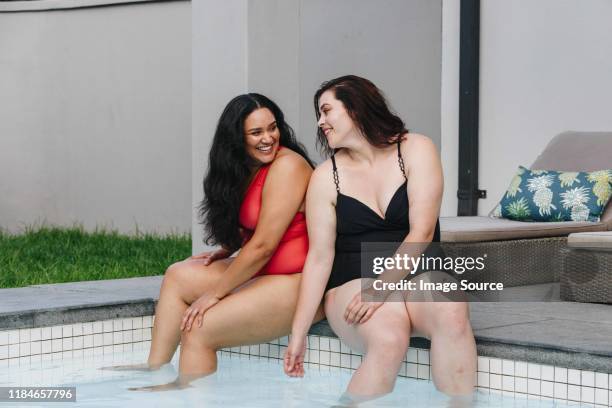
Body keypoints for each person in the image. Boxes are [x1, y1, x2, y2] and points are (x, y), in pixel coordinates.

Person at [283, 75, 477, 402]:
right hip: (352, 281)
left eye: (327, 110)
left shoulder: (416, 149)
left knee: (452, 311)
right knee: (389, 336)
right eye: (319, 114)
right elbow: (319, 257)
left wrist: (383, 286)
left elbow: (422, 232)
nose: (321, 121)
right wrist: (297, 334)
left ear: (356, 108)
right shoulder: (325, 178)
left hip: (416, 274)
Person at [115, 93, 323, 389]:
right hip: (263, 272)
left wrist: (213, 294)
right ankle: (155, 368)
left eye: (272, 128)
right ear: (237, 138)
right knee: (177, 275)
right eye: (256, 132)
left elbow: (264, 246)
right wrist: (227, 250)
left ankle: (183, 393)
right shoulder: (247, 168)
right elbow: (257, 227)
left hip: (297, 280)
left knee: (200, 328)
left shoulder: (288, 165)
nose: (268, 138)